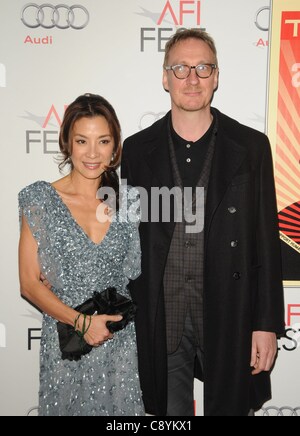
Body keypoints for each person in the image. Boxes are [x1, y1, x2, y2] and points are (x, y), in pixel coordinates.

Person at [121, 29, 285, 416]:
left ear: (216, 77)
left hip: (230, 311)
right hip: (163, 317)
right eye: (180, 68)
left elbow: (266, 240)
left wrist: (266, 324)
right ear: (165, 77)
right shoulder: (136, 150)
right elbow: (122, 239)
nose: (191, 78)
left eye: (202, 67)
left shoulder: (251, 146)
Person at [19, 94, 145, 416]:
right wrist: (81, 322)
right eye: (82, 141)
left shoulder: (129, 201)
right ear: (67, 143)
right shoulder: (40, 198)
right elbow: (29, 284)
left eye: (103, 141)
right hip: (67, 342)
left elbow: (136, 273)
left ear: (115, 145)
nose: (92, 153)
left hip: (117, 344)